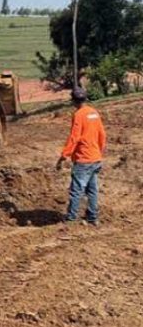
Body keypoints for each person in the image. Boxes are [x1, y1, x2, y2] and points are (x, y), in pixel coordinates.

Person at [56, 87, 106, 226]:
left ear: (73, 101)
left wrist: (64, 155)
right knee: (92, 190)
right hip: (95, 157)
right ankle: (93, 218)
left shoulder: (79, 115)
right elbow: (102, 134)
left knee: (76, 190)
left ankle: (71, 219)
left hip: (83, 159)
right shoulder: (94, 113)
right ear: (85, 98)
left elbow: (74, 137)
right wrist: (99, 151)